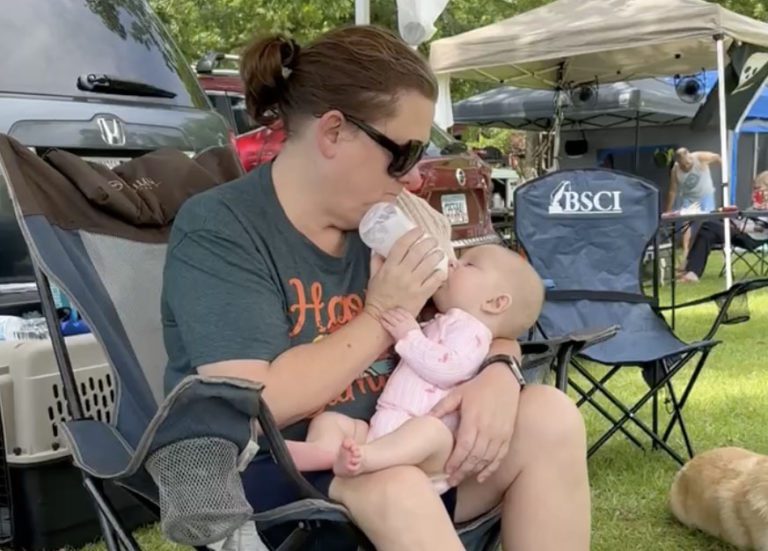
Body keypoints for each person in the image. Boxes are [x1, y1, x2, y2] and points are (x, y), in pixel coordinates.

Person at [161, 25, 589, 551]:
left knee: (550, 416)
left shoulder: (396, 217)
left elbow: (480, 310)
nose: (413, 179)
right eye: (403, 155)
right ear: (334, 132)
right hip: (282, 480)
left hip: (408, 451)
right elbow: (258, 404)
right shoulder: (222, 229)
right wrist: (382, 313)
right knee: (395, 485)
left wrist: (500, 371)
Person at [285, 246, 544, 490]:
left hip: (423, 444)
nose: (452, 262)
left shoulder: (474, 334)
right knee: (332, 421)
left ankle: (364, 459)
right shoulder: (446, 321)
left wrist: (409, 336)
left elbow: (448, 369)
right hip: (387, 424)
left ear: (496, 303)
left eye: (468, 264)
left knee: (430, 432)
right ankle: (325, 451)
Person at [679, 175, 768, 282]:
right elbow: (743, 218)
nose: (755, 191)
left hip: (752, 238)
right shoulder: (757, 205)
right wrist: (733, 219)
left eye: (758, 188)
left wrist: (740, 226)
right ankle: (692, 272)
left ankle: (689, 266)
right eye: (754, 188)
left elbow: (761, 228)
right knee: (707, 232)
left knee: (709, 224)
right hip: (739, 231)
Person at [667, 148, 721, 266]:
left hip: (705, 195)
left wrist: (726, 176)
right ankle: (686, 251)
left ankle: (699, 248)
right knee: (686, 222)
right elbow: (672, 191)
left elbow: (717, 157)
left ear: (690, 157)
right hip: (689, 197)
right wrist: (668, 210)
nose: (686, 166)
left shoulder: (699, 157)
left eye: (688, 163)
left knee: (704, 222)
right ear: (678, 162)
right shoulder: (676, 169)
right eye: (683, 165)